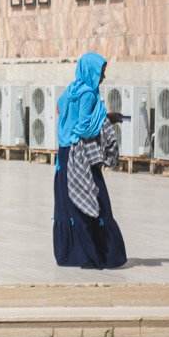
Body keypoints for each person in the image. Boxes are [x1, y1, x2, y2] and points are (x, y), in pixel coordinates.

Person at [52, 53, 126, 269]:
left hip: (64, 155)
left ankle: (70, 254)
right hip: (80, 155)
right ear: (91, 71)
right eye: (101, 71)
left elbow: (59, 108)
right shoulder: (88, 94)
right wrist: (106, 118)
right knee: (94, 200)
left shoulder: (71, 90)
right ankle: (96, 254)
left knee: (69, 204)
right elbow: (84, 126)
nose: (103, 76)